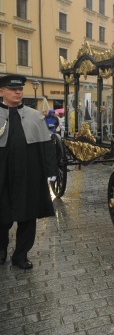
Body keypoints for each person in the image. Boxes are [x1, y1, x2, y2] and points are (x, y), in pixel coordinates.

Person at [0, 74, 57, 270]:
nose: (18, 92)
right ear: (1, 91)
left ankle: (21, 255)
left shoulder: (35, 116)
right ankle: (1, 250)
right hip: (2, 176)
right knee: (1, 215)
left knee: (28, 214)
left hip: (28, 174)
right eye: (12, 89)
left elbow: (46, 146)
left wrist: (51, 171)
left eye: (20, 89)